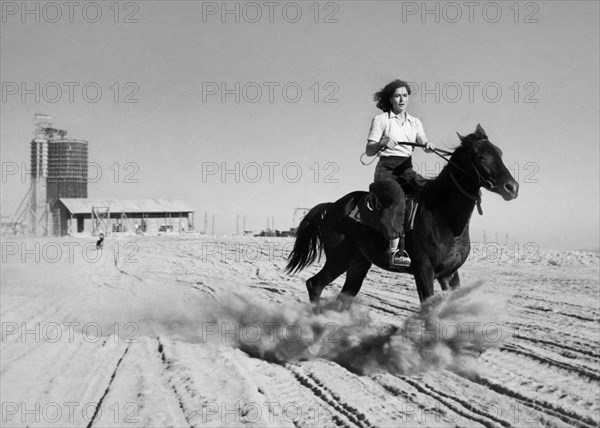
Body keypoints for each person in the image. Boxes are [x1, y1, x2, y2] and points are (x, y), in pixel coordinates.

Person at [365, 79, 435, 268]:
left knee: (431, 190)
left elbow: (422, 140)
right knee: (397, 199)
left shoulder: (415, 122)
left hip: (406, 169)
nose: (402, 99)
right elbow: (369, 150)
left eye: (405, 95)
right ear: (390, 98)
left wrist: (427, 145)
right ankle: (395, 251)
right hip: (385, 171)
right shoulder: (381, 120)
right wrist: (381, 143)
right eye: (397, 96)